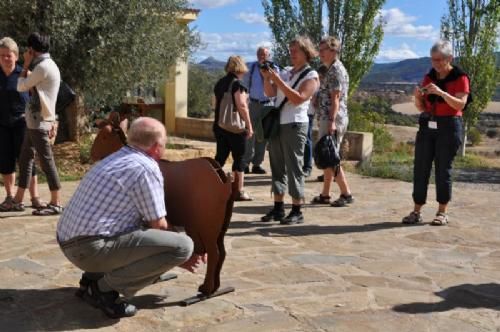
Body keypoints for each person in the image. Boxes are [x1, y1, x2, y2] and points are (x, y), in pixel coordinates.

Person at [57, 117, 203, 318]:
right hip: (89, 250)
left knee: (136, 227)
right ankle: (104, 290)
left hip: (68, 242)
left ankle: (92, 279)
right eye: (165, 143)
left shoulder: (115, 158)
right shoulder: (146, 167)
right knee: (182, 246)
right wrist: (182, 257)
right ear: (156, 146)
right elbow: (159, 226)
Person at [402, 40, 469, 226]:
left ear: (449, 58)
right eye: (433, 60)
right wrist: (417, 97)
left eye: (439, 60)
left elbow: (460, 104)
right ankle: (416, 211)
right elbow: (422, 107)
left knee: (442, 169)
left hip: (449, 126)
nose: (436, 64)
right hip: (428, 125)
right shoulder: (429, 76)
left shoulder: (460, 77)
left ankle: (442, 212)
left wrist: (441, 93)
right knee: (421, 167)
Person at [260, 36, 319, 225]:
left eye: (296, 51)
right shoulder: (286, 72)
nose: (291, 54)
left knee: (294, 167)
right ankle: (278, 207)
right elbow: (270, 94)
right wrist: (267, 79)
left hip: (295, 124)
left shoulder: (312, 76)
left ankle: (296, 210)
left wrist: (277, 79)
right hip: (279, 124)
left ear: (306, 53)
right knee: (276, 166)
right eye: (290, 50)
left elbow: (298, 98)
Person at [3, 33, 62, 215]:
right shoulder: (47, 65)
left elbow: (21, 86)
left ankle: (56, 202)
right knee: (25, 158)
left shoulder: (41, 67)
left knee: (46, 161)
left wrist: (26, 64)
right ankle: (18, 199)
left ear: (31, 50)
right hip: (33, 121)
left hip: (39, 123)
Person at [0, 37, 44, 211]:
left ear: (16, 56)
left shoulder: (26, 74)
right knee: (5, 163)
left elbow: (40, 98)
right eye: (1, 55)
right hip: (2, 126)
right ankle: (10, 197)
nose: (4, 58)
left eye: (8, 55)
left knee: (28, 162)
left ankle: (35, 198)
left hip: (23, 125)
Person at [310, 36, 354, 208]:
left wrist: (331, 121)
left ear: (334, 51)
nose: (320, 53)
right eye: (319, 50)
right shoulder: (330, 69)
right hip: (328, 117)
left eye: (323, 50)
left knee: (331, 156)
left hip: (332, 118)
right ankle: (325, 194)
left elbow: (335, 98)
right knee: (327, 155)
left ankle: (346, 192)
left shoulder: (336, 70)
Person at [213, 55, 254, 201]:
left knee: (220, 158)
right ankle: (239, 191)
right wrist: (249, 125)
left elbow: (214, 105)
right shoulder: (238, 85)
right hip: (236, 128)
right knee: (240, 158)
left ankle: (212, 185)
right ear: (240, 67)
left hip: (219, 126)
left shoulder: (219, 83)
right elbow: (242, 106)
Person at [242, 46, 278, 174]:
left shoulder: (274, 68)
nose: (262, 56)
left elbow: (278, 85)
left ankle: (257, 164)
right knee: (249, 134)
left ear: (269, 56)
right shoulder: (251, 68)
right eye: (259, 54)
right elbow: (244, 85)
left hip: (268, 105)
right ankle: (245, 163)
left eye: (264, 54)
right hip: (253, 104)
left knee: (263, 136)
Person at [303, 64, 328, 178]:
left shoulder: (319, 85)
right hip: (307, 113)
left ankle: (307, 166)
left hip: (308, 113)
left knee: (307, 140)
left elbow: (316, 102)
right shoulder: (319, 85)